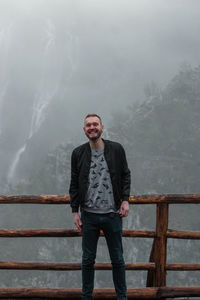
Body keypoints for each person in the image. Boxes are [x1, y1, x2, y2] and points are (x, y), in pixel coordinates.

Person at [69, 113, 131, 300]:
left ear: (102, 127)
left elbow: (126, 175)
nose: (92, 127)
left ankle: (122, 297)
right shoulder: (78, 153)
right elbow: (74, 183)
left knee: (118, 260)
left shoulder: (116, 149)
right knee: (87, 260)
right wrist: (74, 211)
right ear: (84, 130)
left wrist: (126, 199)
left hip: (113, 214)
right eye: (88, 125)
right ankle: (86, 297)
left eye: (95, 124)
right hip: (88, 215)